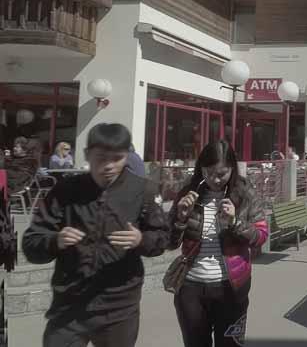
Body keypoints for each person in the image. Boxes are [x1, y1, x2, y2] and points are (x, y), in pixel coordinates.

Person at [22, 123, 169, 346]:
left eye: (117, 158)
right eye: (101, 158)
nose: (109, 166)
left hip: (119, 307)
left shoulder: (143, 190)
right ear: (86, 155)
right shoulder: (65, 191)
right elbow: (32, 242)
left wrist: (141, 240)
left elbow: (162, 239)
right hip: (69, 305)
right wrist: (55, 240)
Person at [169, 140, 267, 347]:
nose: (214, 179)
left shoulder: (245, 193)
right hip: (191, 288)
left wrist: (235, 222)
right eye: (208, 171)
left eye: (221, 173)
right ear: (200, 167)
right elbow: (169, 243)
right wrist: (180, 218)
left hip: (231, 288)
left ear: (232, 169)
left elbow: (261, 236)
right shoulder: (188, 192)